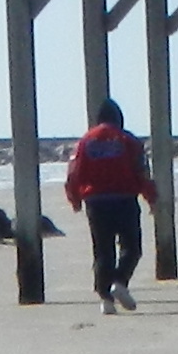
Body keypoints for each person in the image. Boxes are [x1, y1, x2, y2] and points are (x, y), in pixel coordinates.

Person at [61, 97, 152, 312]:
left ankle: (105, 299)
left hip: (96, 202)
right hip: (124, 199)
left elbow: (73, 173)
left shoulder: (84, 142)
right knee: (132, 247)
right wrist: (151, 197)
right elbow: (142, 172)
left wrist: (74, 199)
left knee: (103, 251)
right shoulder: (128, 140)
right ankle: (120, 282)